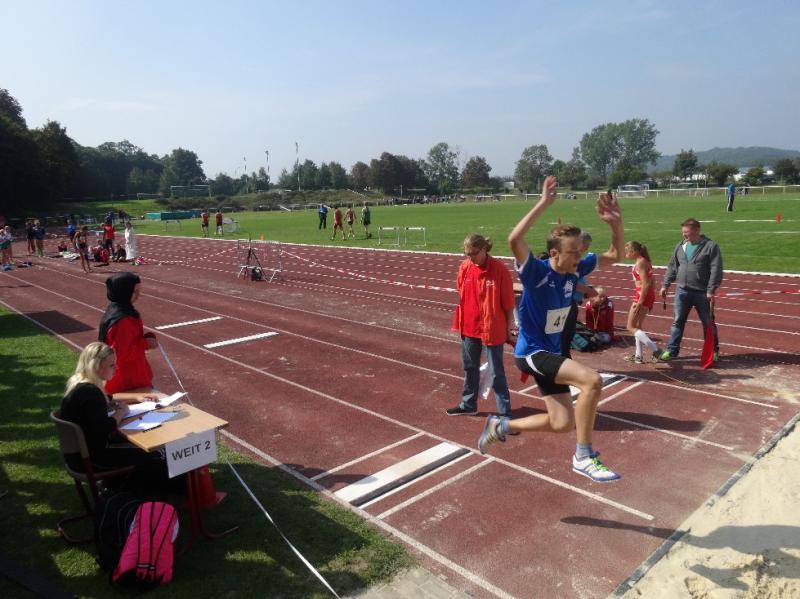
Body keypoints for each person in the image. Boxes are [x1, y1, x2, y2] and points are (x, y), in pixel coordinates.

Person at [478, 176, 625, 483]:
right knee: (592, 381)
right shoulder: (537, 272)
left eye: (580, 251)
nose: (579, 257)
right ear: (555, 253)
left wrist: (616, 224)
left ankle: (500, 426)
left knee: (562, 423)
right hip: (532, 353)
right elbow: (514, 240)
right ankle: (583, 455)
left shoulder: (575, 270)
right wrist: (543, 202)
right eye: (573, 252)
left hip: (552, 354)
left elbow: (616, 255)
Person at [59, 341, 170, 490]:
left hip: (79, 455)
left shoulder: (80, 384)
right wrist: (121, 412)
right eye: (112, 365)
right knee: (152, 451)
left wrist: (137, 397)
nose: (116, 368)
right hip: (92, 459)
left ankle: (118, 485)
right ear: (97, 367)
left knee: (140, 447)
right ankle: (132, 492)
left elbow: (109, 398)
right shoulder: (91, 394)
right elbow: (106, 428)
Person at [446, 234, 515, 419]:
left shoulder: (499, 270)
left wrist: (509, 327)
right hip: (469, 328)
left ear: (484, 249)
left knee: (496, 373)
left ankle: (505, 415)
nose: (470, 258)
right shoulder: (465, 267)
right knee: (470, 367)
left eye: (474, 253)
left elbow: (508, 303)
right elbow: (461, 292)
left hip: (492, 329)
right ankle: (469, 404)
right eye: (467, 254)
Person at [659, 218, 723, 361]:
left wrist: (711, 290)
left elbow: (716, 269)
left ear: (697, 230)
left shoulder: (710, 246)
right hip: (682, 291)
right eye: (683, 232)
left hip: (702, 293)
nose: (684, 235)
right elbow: (672, 267)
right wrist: (665, 285)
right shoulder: (680, 246)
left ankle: (713, 350)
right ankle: (672, 350)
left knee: (708, 323)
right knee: (677, 321)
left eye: (686, 232)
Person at [99, 272, 157, 394]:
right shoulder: (123, 320)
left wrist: (145, 338)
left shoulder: (119, 311)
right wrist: (146, 343)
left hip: (129, 377)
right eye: (135, 291)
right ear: (124, 291)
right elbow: (120, 353)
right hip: (127, 381)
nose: (139, 295)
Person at [623, 241, 662, 363]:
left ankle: (656, 350)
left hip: (641, 295)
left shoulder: (640, 262)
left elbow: (645, 284)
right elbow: (653, 280)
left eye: (627, 251)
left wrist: (640, 302)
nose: (626, 254)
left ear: (634, 251)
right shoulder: (645, 261)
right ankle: (638, 356)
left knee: (630, 326)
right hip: (647, 295)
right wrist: (651, 299)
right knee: (638, 326)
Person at [561, 230, 597, 357]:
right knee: (565, 335)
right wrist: (587, 290)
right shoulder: (570, 259)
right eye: (586, 245)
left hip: (571, 301)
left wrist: (585, 291)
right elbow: (570, 282)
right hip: (566, 303)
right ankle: (563, 359)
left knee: (567, 334)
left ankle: (564, 357)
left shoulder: (576, 259)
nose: (587, 248)